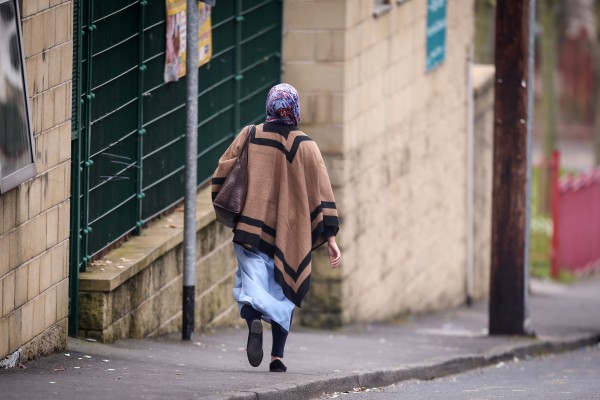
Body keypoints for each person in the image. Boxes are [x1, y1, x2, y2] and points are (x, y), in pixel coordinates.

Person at [211, 83, 341, 372]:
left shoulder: (251, 135)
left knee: (250, 285)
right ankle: (277, 358)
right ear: (295, 109)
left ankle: (253, 318)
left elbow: (223, 170)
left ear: (269, 106)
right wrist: (330, 237)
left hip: (250, 230)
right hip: (291, 234)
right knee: (286, 287)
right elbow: (323, 193)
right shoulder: (308, 146)